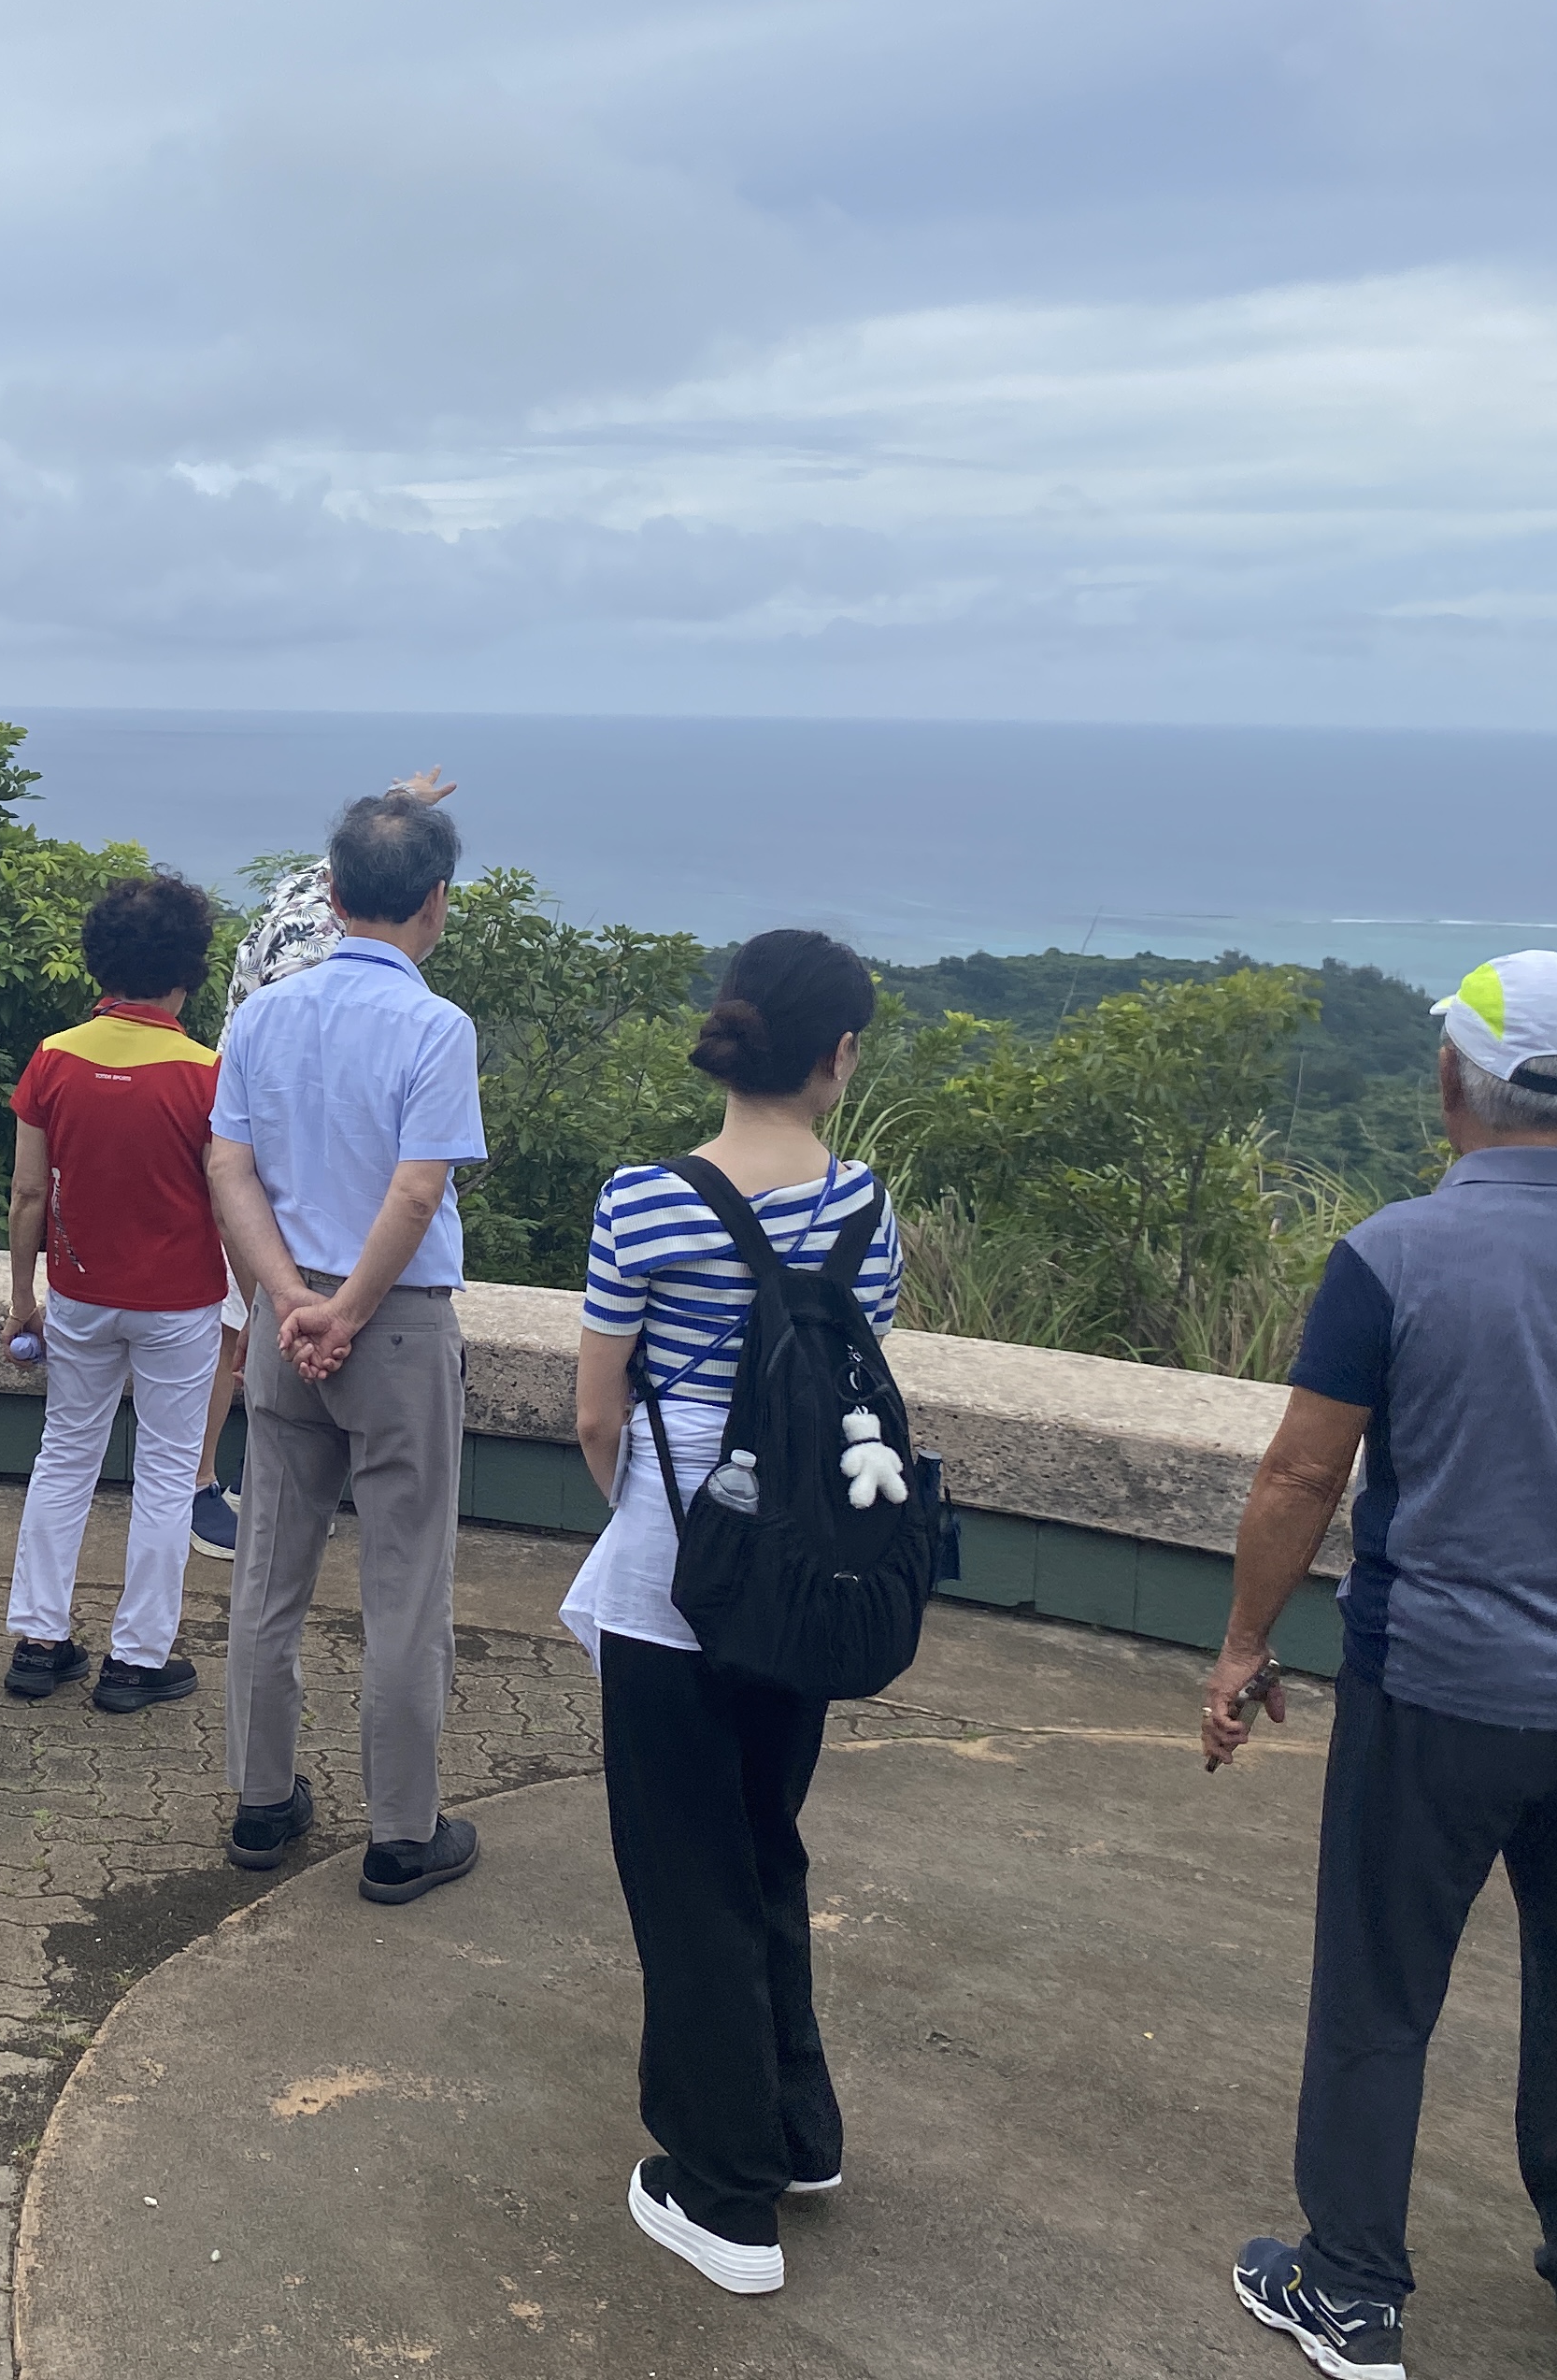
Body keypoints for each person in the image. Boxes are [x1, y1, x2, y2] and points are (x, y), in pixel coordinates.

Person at [1209, 950, 1557, 2380]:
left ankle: (1348, 2292)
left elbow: (1299, 1477)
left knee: (1381, 1991)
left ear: (1450, 1084)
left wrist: (1245, 1644)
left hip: (1438, 1685)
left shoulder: (1392, 1254)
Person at [564, 930, 897, 2298]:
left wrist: (659, 1508)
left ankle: (725, 2195)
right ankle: (797, 2128)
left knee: (683, 1869)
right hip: (814, 1575)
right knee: (766, 1843)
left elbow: (595, 1410)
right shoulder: (868, 1206)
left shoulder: (645, 1201)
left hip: (678, 1571)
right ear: (837, 1060)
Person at [201, 787, 486, 1903]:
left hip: (284, 1326)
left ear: (330, 893)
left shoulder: (264, 1016)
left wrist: (290, 1301)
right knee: (405, 1585)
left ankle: (262, 1803)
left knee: (270, 1571)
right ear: (436, 903)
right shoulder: (436, 1027)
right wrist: (353, 1311)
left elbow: (228, 1167)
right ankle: (401, 1835)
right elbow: (419, 1193)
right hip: (397, 1326)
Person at [185, 768, 456, 1560]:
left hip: (254, 1178)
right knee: (241, 1330)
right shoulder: (368, 996)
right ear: (433, 899)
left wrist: (398, 803)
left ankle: (204, 1484)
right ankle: (201, 1488)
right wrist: (323, 1312)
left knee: (270, 1563)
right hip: (306, 1204)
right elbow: (402, 1180)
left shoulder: (301, 903)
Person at [0, 870, 225, 1715]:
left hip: (81, 1295)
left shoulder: (54, 1058)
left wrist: (24, 1296)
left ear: (99, 962)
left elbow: (29, 1195)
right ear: (187, 970)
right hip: (180, 1303)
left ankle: (40, 1641)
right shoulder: (207, 1073)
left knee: (65, 1455)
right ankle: (136, 1660)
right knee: (167, 1475)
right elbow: (227, 1197)